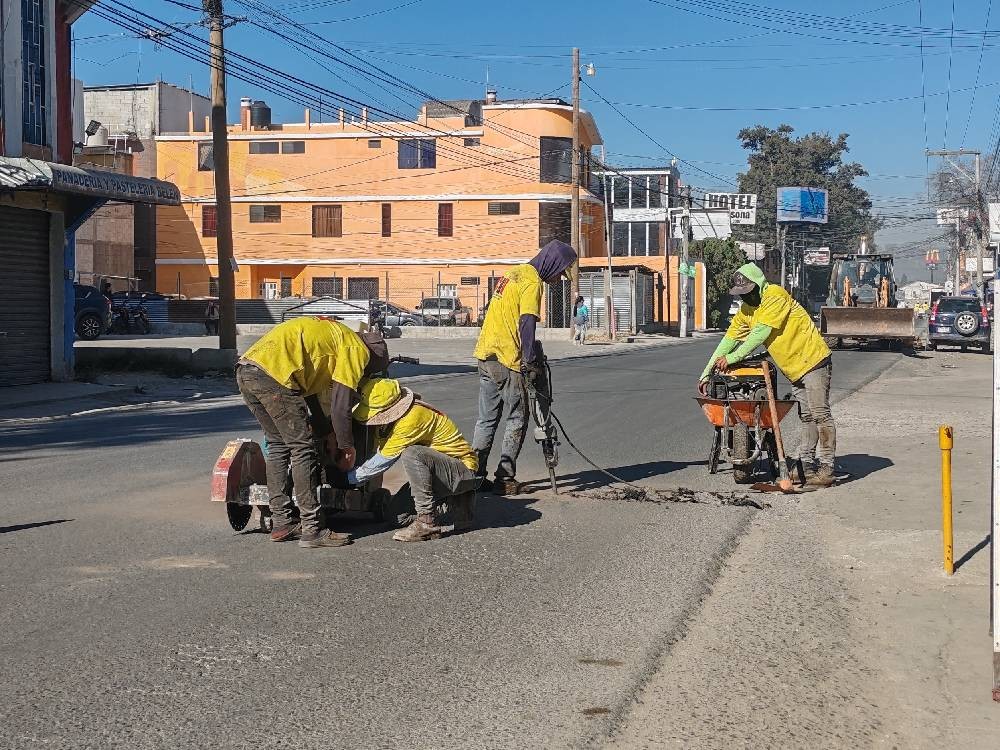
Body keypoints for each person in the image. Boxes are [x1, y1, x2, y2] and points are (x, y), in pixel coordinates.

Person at [236, 317, 389, 547]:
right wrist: (346, 446)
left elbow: (310, 396)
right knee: (303, 448)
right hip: (275, 377)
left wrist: (327, 432)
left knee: (278, 445)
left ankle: (282, 522)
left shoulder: (334, 337)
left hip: (247, 369)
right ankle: (312, 528)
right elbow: (340, 403)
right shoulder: (356, 349)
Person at [698, 263, 836, 487]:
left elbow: (760, 334)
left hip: (814, 361)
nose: (746, 298)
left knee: (820, 413)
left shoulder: (774, 295)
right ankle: (807, 465)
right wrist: (706, 373)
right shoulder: (746, 311)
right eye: (741, 294)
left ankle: (827, 466)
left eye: (749, 292)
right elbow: (728, 340)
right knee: (807, 417)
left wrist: (733, 358)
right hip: (794, 370)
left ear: (758, 285)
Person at [472, 239, 578, 495]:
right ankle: (504, 478)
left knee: (486, 420)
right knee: (518, 417)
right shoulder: (532, 283)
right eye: (559, 272)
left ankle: (473, 477)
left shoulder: (513, 273)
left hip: (486, 355)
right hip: (508, 360)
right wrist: (529, 360)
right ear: (552, 263)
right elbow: (527, 322)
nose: (558, 279)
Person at [349, 378, 478, 542]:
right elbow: (378, 451)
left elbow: (384, 459)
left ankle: (427, 522)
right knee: (395, 517)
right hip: (439, 473)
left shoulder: (413, 417)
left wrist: (348, 479)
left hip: (462, 470)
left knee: (412, 453)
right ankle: (454, 504)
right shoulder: (389, 424)